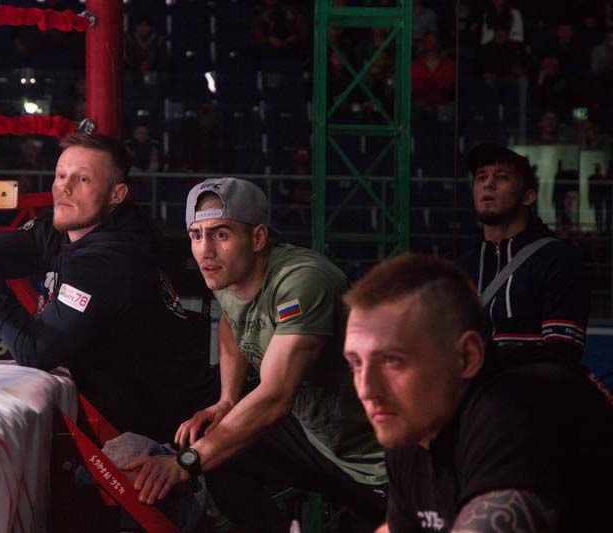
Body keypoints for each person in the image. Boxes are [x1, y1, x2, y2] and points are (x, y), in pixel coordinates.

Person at [125, 178, 387, 533]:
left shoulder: (302, 281)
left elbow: (275, 397)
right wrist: (227, 400)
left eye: (221, 234)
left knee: (204, 453)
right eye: (196, 236)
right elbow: (231, 321)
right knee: (218, 448)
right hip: (313, 439)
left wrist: (185, 462)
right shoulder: (227, 274)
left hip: (374, 458)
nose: (205, 251)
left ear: (259, 238)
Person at [0, 133, 217, 442]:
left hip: (175, 432)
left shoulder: (109, 259)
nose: (64, 188)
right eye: (60, 175)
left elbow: (35, 353)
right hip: (128, 419)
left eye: (82, 179)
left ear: (116, 194)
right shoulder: (59, 229)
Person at [343, 253, 613, 532]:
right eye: (355, 363)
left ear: (467, 357)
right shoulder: (412, 427)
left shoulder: (516, 409)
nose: (367, 390)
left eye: (392, 360)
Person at [456, 142, 588, 363]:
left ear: (528, 197)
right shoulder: (461, 269)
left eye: (502, 177)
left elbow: (562, 355)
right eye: (481, 178)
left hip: (532, 386)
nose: (488, 184)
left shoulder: (559, 260)